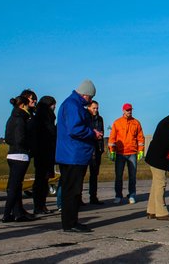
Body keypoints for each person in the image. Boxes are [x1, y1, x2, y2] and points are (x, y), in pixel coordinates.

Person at [56, 79, 103, 232]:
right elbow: (75, 129)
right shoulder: (73, 105)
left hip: (73, 154)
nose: (90, 101)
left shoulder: (72, 104)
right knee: (72, 191)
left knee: (73, 190)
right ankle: (70, 223)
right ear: (85, 95)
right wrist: (92, 133)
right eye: (90, 98)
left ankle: (71, 221)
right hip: (73, 155)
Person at [2, 95, 37, 223]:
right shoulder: (21, 119)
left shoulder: (11, 118)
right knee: (15, 187)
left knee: (14, 186)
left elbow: (8, 138)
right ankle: (6, 214)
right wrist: (28, 146)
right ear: (22, 105)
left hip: (11, 154)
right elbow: (20, 138)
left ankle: (15, 212)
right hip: (20, 156)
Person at [108, 103, 145, 204]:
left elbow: (140, 138)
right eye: (127, 110)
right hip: (120, 153)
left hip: (132, 153)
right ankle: (118, 195)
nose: (129, 112)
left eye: (130, 110)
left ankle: (132, 195)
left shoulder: (136, 123)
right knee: (119, 175)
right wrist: (112, 151)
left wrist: (141, 150)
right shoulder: (117, 123)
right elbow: (112, 138)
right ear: (123, 111)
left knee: (132, 176)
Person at [30, 95, 57, 214]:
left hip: (42, 153)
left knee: (42, 180)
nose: (54, 107)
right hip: (44, 152)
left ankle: (40, 205)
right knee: (41, 181)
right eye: (53, 105)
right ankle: (39, 206)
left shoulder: (40, 117)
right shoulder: (44, 119)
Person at [86, 100, 105, 205]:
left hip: (97, 149)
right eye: (94, 108)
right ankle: (78, 198)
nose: (96, 110)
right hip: (87, 148)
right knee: (81, 174)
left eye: (97, 108)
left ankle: (93, 197)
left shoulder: (100, 119)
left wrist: (101, 148)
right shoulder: (85, 117)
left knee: (94, 174)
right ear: (88, 107)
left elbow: (101, 132)